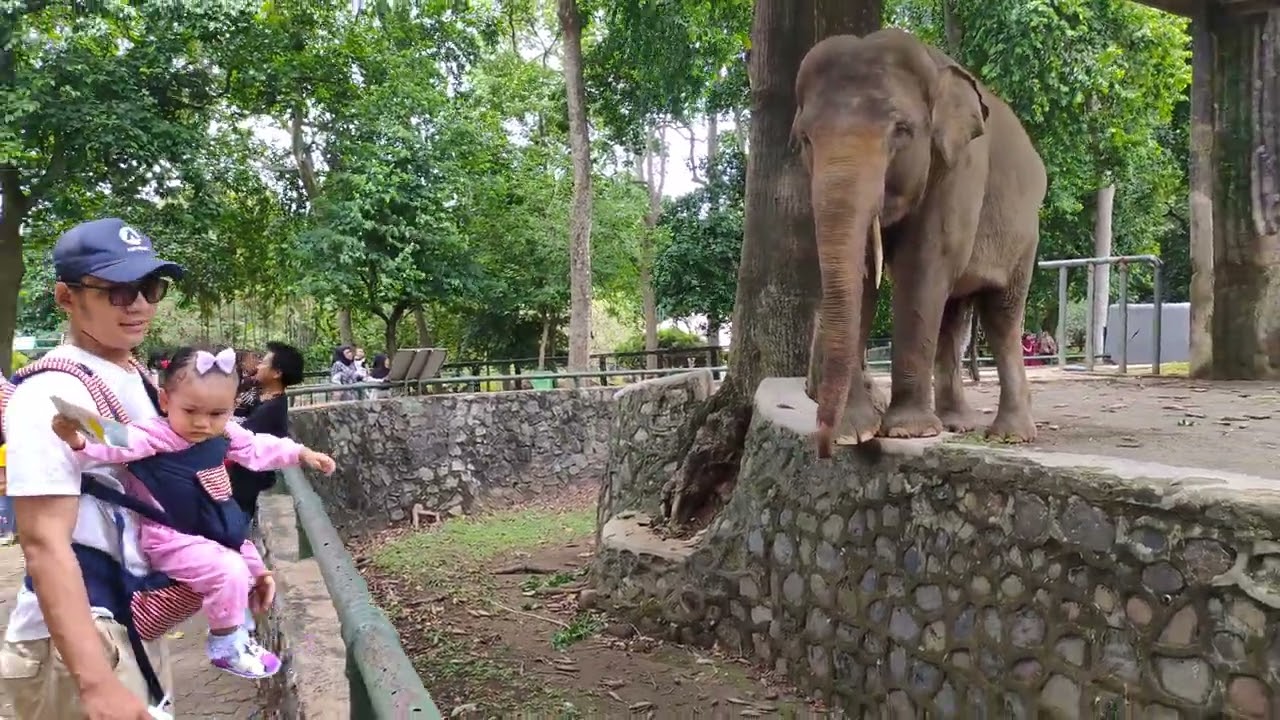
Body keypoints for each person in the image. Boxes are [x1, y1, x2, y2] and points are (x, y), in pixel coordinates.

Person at [0, 217, 193, 718]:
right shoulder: (49, 394)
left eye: (151, 287)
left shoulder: (136, 377)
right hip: (81, 639)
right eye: (118, 291)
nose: (140, 305)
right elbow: (43, 542)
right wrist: (95, 682)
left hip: (132, 620)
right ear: (66, 297)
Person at [51, 345, 336, 680]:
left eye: (217, 413)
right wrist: (78, 440)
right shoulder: (154, 434)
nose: (203, 423)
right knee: (228, 569)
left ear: (232, 409)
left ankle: (242, 635)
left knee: (252, 570)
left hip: (210, 528)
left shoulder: (227, 434)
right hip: (169, 537)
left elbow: (259, 447)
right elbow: (116, 441)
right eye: (191, 411)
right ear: (165, 400)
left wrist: (301, 452)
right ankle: (225, 645)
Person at [228, 341, 305, 519]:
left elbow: (240, 437)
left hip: (248, 482)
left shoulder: (272, 409)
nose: (259, 366)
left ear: (277, 373)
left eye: (264, 362)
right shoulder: (257, 395)